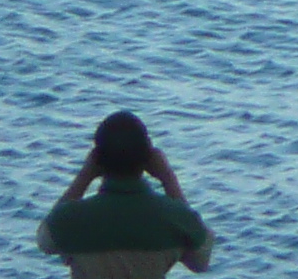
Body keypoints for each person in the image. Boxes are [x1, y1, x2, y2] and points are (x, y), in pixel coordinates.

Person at [36, 111, 216, 278]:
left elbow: (45, 242)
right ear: (149, 158)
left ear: (97, 159)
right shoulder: (174, 217)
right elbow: (200, 262)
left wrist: (85, 176)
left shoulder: (71, 218)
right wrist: (168, 178)